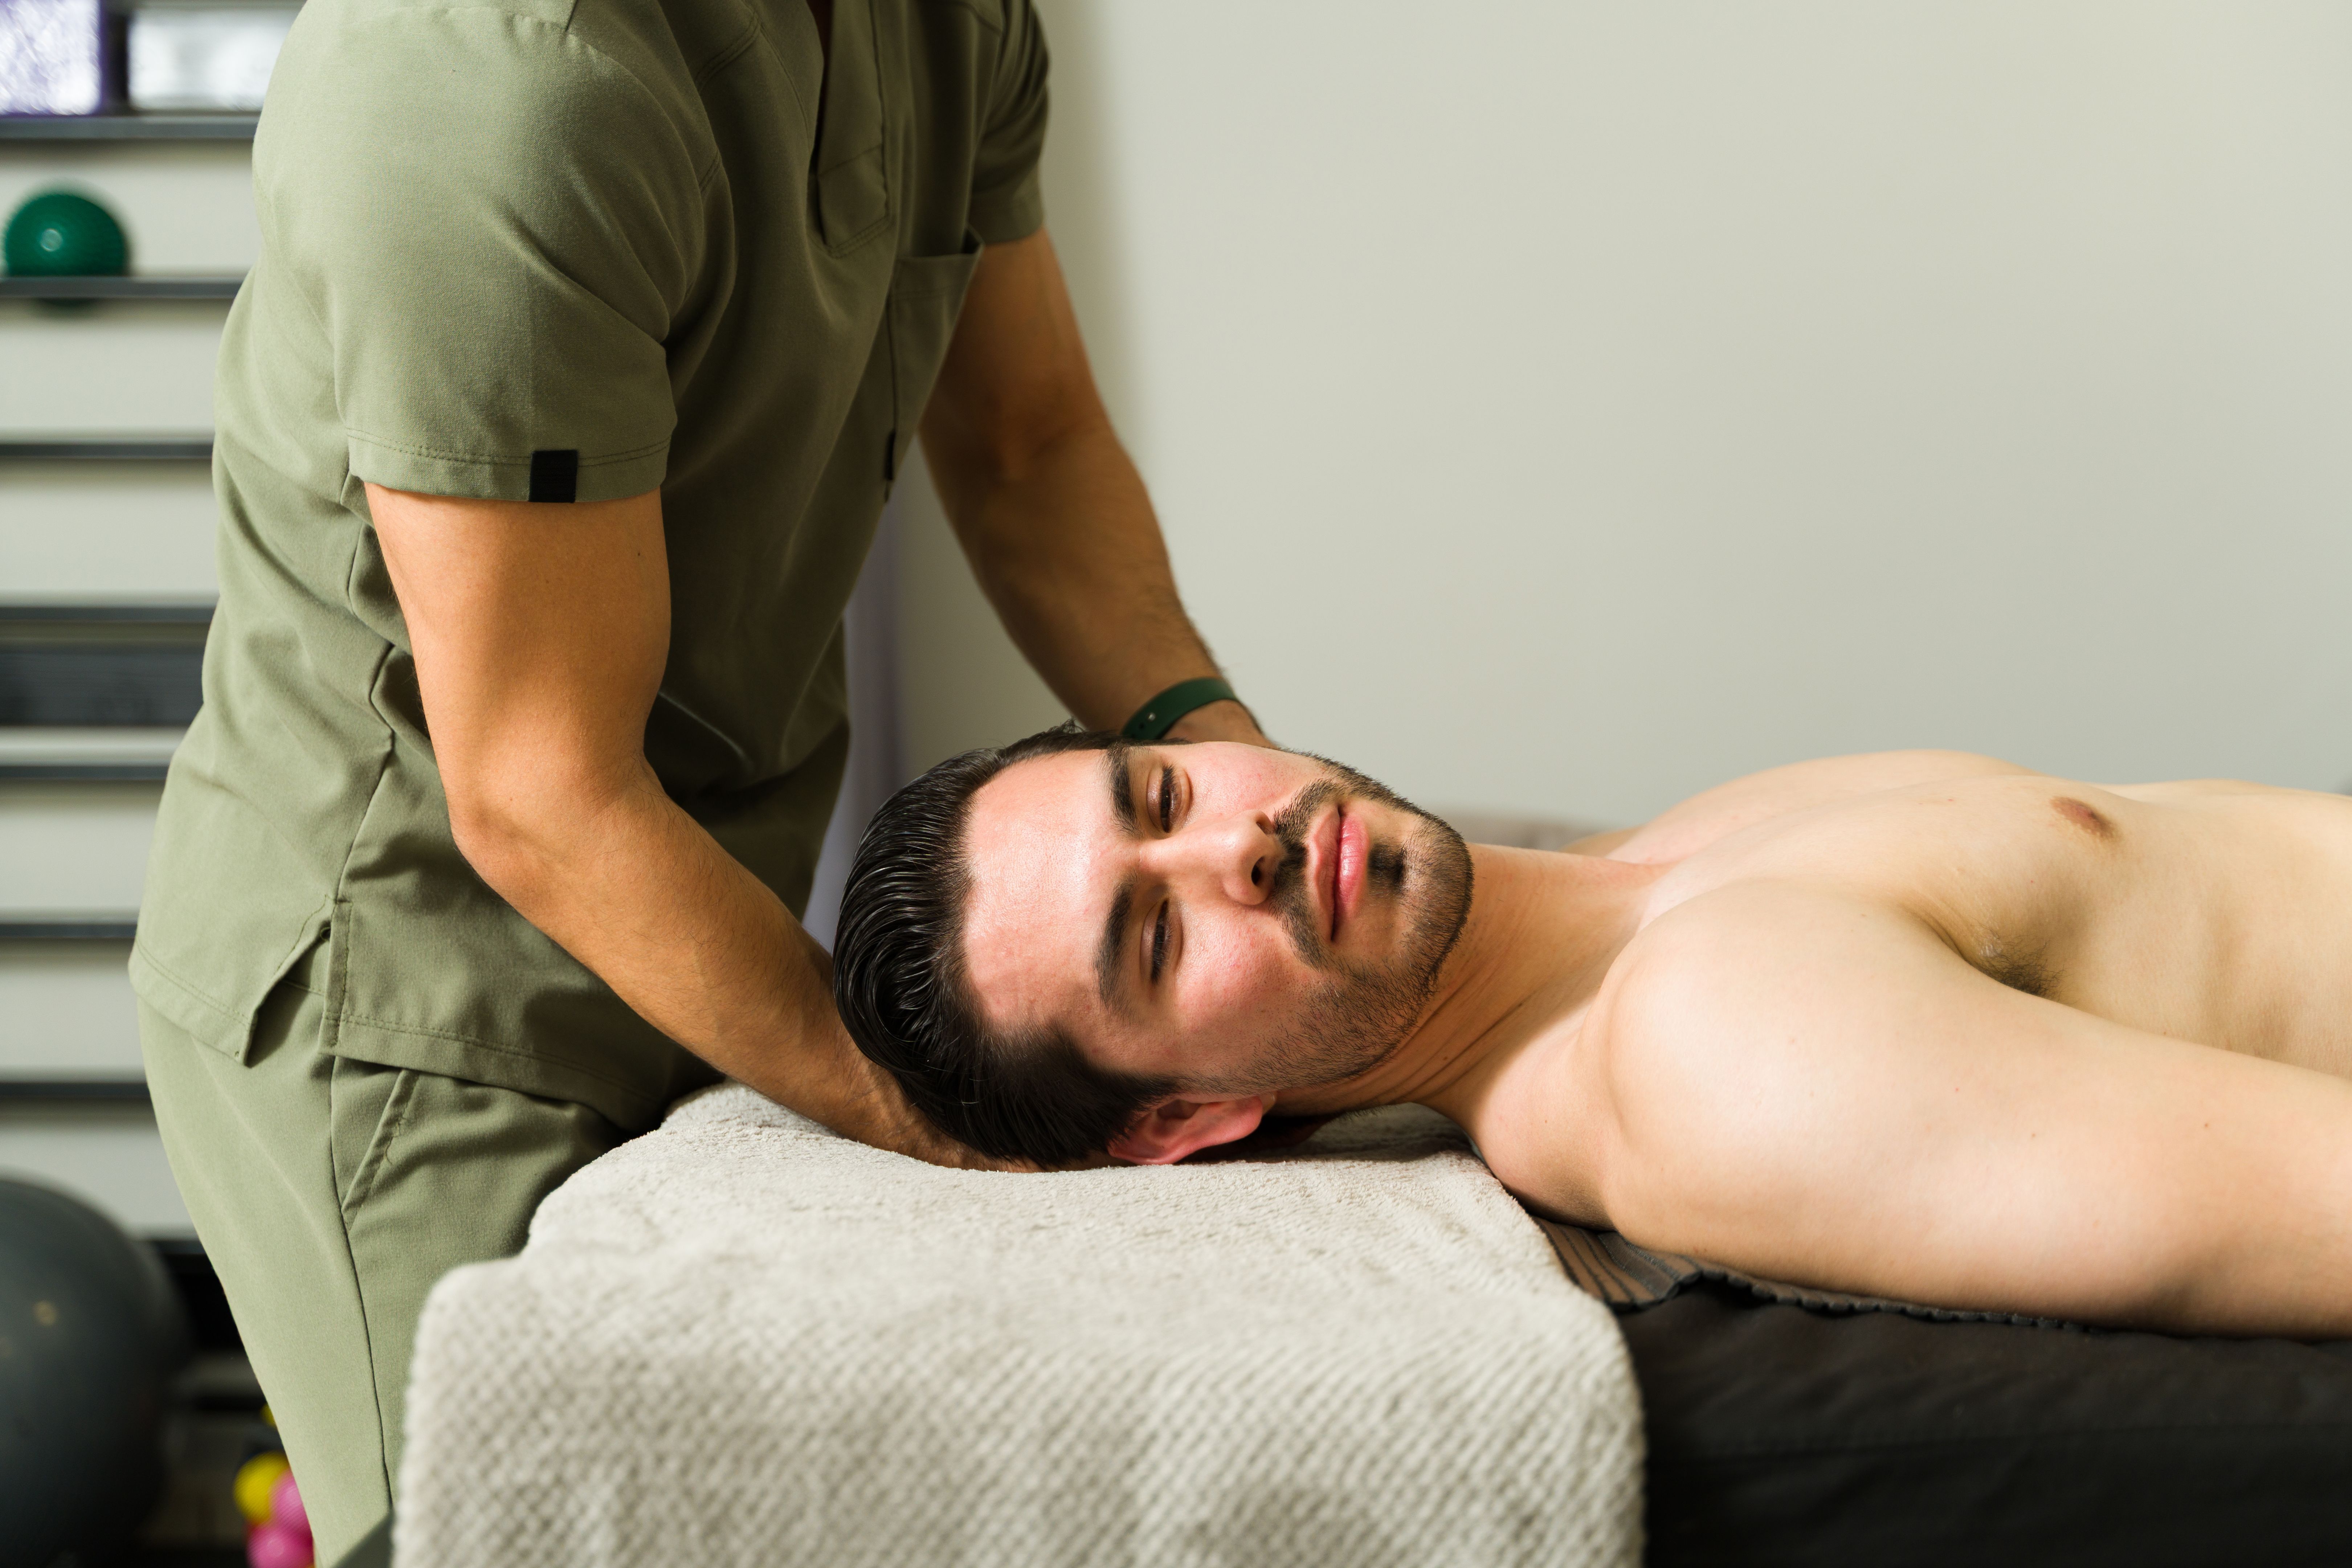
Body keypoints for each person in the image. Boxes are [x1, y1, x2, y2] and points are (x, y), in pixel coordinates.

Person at [130, 0, 1266, 1555]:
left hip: (718, 914)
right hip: (422, 993)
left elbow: (1026, 447)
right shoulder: (485, 92)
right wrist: (933, 1121)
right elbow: (538, 793)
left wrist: (1248, 786)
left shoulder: (950, 27)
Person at [834, 729, 2352, 1340]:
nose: (1238, 852)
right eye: (1157, 941)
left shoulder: (1653, 877)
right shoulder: (1717, 1052)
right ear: (1179, 1122)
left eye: (1162, 796)